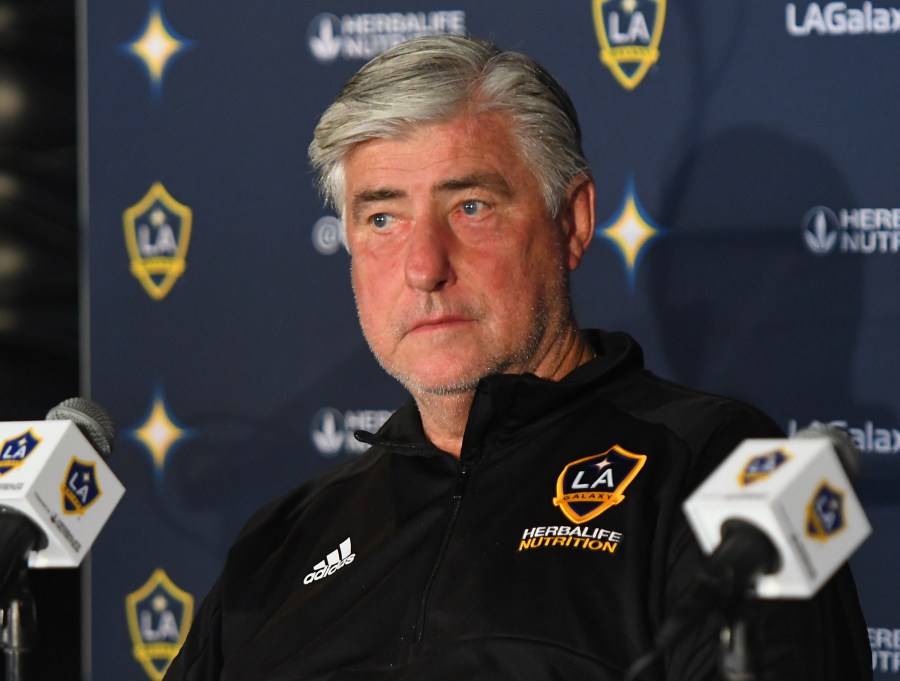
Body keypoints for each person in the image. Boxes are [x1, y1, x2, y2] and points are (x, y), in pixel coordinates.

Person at [163, 35, 871, 680]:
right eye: (383, 218)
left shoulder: (710, 475)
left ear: (572, 222)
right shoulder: (281, 543)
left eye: (470, 206)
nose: (424, 266)